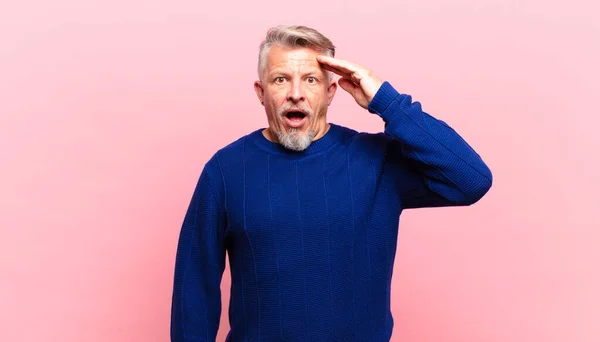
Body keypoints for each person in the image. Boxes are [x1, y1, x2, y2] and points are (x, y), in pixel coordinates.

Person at [170, 25, 492, 342]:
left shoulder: (377, 161)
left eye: (310, 80)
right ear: (261, 92)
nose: (295, 93)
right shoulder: (224, 172)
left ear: (330, 92)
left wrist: (387, 102)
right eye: (281, 79)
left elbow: (472, 179)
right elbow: (193, 294)